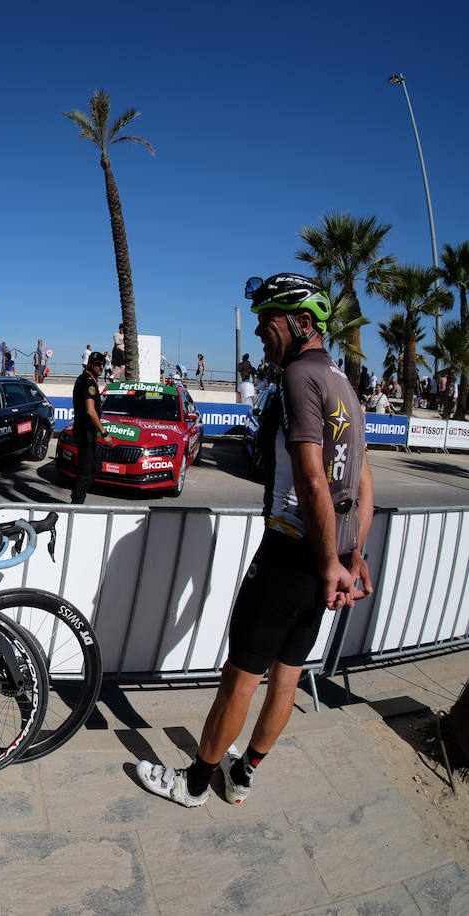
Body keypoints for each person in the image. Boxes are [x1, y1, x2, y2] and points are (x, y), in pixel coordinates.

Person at [136, 273, 374, 808]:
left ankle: (195, 782)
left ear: (301, 323)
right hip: (328, 557)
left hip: (292, 552)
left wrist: (327, 557)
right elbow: (361, 479)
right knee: (287, 675)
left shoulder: (297, 379)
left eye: (269, 322)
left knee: (240, 676)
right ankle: (243, 775)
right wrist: (350, 557)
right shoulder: (343, 383)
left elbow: (314, 480)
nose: (261, 333)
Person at [69, 352, 113, 504]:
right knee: (85, 471)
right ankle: (76, 503)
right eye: (97, 364)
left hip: (87, 431)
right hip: (84, 431)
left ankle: (78, 493)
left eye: (103, 364)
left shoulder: (88, 379)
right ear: (90, 365)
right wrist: (104, 433)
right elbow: (90, 410)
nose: (101, 367)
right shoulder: (88, 381)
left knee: (95, 467)